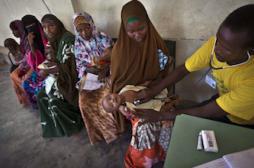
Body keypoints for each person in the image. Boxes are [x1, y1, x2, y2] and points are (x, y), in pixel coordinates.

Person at [134, 4, 254, 127]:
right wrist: (153, 91)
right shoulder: (217, 44)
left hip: (243, 122)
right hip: (221, 101)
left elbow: (208, 111)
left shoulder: (251, 81)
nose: (217, 49)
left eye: (226, 49)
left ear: (250, 51)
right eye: (218, 40)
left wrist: (161, 116)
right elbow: (183, 69)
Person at [110, 0, 173, 133]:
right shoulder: (119, 50)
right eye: (131, 31)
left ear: (148, 24)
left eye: (141, 29)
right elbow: (117, 83)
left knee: (158, 123)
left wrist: (150, 87)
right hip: (129, 97)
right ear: (124, 29)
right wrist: (122, 103)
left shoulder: (157, 46)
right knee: (143, 125)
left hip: (154, 92)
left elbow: (165, 76)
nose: (137, 35)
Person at [101, 84, 178, 168]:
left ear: (111, 93)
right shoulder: (128, 106)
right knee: (140, 139)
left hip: (160, 108)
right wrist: (128, 112)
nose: (113, 100)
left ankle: (160, 154)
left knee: (148, 137)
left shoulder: (125, 90)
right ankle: (157, 155)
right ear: (116, 109)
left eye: (110, 98)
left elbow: (146, 93)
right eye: (112, 105)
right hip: (153, 111)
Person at [73, 12, 118, 144]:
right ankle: (97, 135)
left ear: (91, 24)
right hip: (90, 77)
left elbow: (114, 58)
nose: (84, 33)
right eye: (79, 30)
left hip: (108, 74)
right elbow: (80, 65)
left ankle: (111, 133)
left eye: (86, 28)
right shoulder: (77, 43)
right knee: (83, 101)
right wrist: (88, 71)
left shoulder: (103, 37)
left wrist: (105, 69)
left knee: (105, 97)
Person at [37, 14, 83, 137]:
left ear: (59, 25)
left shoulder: (68, 40)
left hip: (72, 80)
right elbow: (57, 61)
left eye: (51, 25)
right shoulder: (55, 40)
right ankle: (57, 127)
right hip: (62, 76)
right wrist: (48, 65)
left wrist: (50, 70)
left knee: (52, 96)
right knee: (40, 95)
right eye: (44, 27)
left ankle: (73, 125)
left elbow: (73, 68)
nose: (47, 30)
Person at [21, 15, 47, 108]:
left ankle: (45, 105)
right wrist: (31, 44)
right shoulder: (28, 39)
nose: (31, 29)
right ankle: (38, 106)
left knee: (40, 87)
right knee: (25, 82)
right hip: (38, 68)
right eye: (28, 28)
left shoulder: (45, 34)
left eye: (33, 26)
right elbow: (33, 61)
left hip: (49, 67)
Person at [9, 20, 30, 106]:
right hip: (26, 63)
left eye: (14, 30)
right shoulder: (22, 40)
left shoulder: (27, 39)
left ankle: (25, 97)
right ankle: (23, 98)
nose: (13, 33)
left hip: (30, 64)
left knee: (14, 76)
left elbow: (29, 56)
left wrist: (21, 65)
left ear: (20, 29)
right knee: (12, 74)